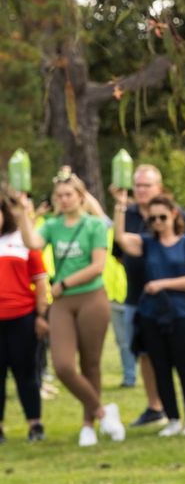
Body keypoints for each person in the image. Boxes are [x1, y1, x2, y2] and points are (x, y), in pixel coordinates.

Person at [13, 171, 124, 446]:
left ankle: (88, 424)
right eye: (59, 196)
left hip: (91, 298)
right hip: (62, 302)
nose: (63, 200)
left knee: (91, 364)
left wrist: (64, 282)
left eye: (68, 195)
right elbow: (32, 244)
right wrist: (23, 214)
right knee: (63, 365)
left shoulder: (94, 226)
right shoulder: (52, 225)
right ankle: (102, 412)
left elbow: (98, 265)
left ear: (80, 196)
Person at [113, 165, 185, 428]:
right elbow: (120, 240)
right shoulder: (146, 239)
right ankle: (165, 414)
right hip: (145, 307)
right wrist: (120, 205)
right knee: (156, 362)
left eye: (162, 218)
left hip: (179, 310)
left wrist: (162, 283)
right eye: (152, 219)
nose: (157, 222)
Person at [0, 194, 49, 443]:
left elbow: (40, 280)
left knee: (26, 373)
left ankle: (35, 425)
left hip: (22, 318)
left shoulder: (21, 240)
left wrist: (41, 316)